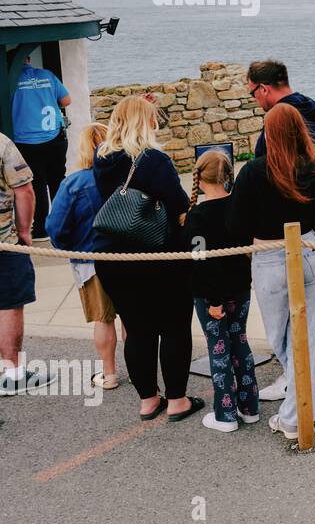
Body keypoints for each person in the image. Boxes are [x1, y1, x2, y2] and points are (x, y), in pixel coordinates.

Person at [228, 104, 315, 438]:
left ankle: (294, 417)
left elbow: (235, 227)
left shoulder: (252, 172)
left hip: (270, 257)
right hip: (308, 252)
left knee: (283, 339)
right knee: (308, 338)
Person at [93, 96, 203, 421]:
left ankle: (148, 400)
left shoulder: (103, 159)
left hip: (113, 258)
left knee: (138, 329)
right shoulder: (153, 159)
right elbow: (179, 203)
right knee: (173, 327)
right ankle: (178, 399)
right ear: (147, 121)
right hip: (158, 255)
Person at [247, 60, 315, 385]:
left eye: (252, 93)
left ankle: (295, 375)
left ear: (263, 88)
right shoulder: (314, 107)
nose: (255, 101)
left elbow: (264, 171)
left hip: (283, 233)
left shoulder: (277, 120)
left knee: (285, 307)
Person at [184, 150, 257, 433]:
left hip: (210, 295)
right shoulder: (239, 208)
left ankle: (225, 414)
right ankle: (249, 407)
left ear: (199, 179)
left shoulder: (198, 217)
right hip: (240, 288)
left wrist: (213, 301)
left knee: (219, 350)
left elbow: (200, 263)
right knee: (240, 341)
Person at [46, 123, 121, 389]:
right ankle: (139, 368)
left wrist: (67, 246)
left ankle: (109, 373)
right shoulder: (126, 175)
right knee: (131, 316)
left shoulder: (75, 183)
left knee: (103, 318)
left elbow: (56, 227)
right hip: (127, 255)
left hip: (90, 258)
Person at [0, 133, 48, 395]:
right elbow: (24, 189)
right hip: (4, 241)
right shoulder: (2, 144)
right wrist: (24, 230)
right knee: (8, 303)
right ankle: (13, 372)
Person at [11, 56, 72, 238]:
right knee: (58, 181)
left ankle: (40, 229)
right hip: (55, 136)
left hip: (26, 140)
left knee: (36, 184)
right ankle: (64, 224)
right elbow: (67, 100)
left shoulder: (9, 80)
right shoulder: (47, 75)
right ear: (29, 59)